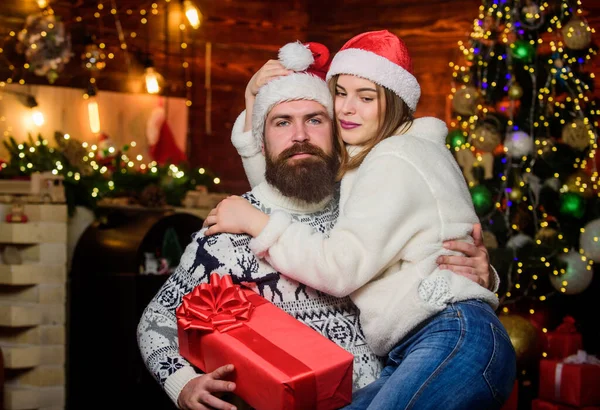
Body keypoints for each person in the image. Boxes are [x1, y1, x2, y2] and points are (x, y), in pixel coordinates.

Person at [137, 41, 494, 410]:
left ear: (337, 133)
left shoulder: (360, 205)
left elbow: (424, 251)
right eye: (282, 122)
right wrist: (183, 383)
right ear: (262, 139)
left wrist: (478, 273)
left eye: (315, 119)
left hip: (399, 384)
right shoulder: (229, 231)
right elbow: (157, 321)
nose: (300, 136)